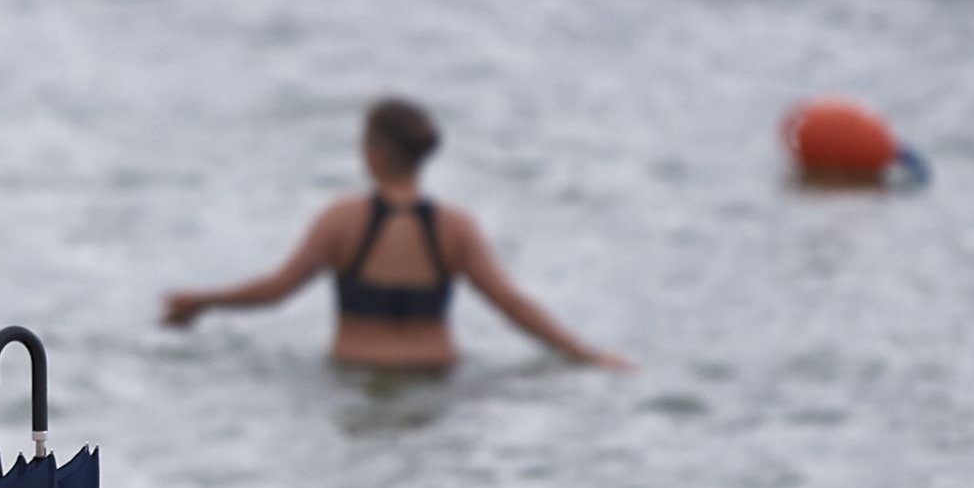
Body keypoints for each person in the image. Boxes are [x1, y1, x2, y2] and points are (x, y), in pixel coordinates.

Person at [162, 98, 629, 371]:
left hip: (356, 375)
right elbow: (512, 304)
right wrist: (586, 356)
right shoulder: (455, 227)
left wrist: (200, 301)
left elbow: (276, 290)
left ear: (375, 155)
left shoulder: (341, 221)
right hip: (435, 378)